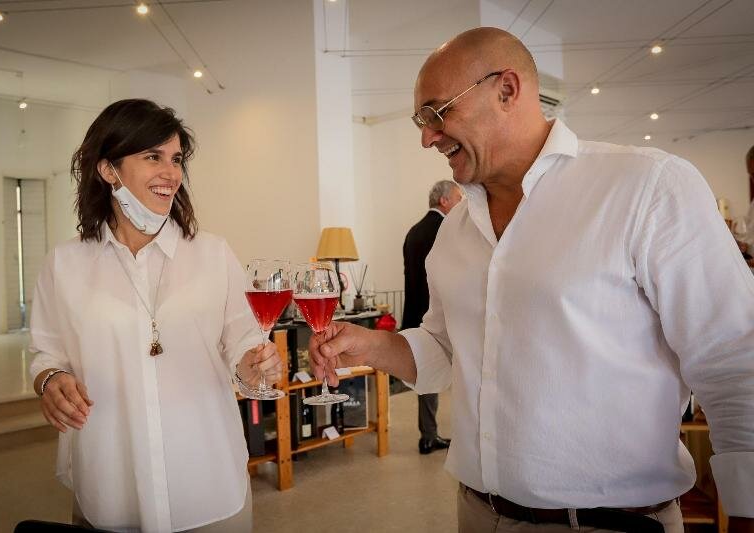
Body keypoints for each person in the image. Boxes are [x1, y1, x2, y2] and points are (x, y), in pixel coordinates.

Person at [310, 28, 754, 533]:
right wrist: (369, 345)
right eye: (421, 121)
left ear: (506, 90)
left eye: (437, 113)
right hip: (478, 514)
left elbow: (734, 359)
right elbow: (445, 348)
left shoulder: (646, 187)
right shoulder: (453, 231)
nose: (427, 138)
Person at [29, 99, 281, 533]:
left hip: (207, 481)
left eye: (176, 159)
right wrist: (50, 380)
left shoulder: (213, 254)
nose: (171, 173)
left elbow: (243, 343)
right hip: (111, 484)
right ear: (108, 169)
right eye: (153, 157)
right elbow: (45, 353)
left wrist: (255, 365)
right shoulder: (64, 264)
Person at [402, 180, 461, 454]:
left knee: (426, 375)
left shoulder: (413, 232)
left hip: (414, 312)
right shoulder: (447, 229)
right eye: (458, 198)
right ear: (444, 201)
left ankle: (428, 434)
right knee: (457, 375)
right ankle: (454, 436)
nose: (462, 204)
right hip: (439, 316)